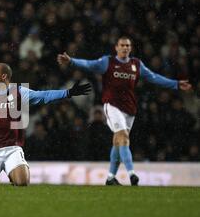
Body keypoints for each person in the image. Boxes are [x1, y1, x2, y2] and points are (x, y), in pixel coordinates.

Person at [57, 36, 192, 186]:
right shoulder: (108, 62)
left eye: (128, 45)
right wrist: (72, 61)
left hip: (130, 108)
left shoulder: (136, 64)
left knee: (118, 141)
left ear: (130, 48)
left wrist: (176, 84)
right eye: (122, 45)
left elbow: (154, 78)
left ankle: (110, 177)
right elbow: (89, 64)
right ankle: (132, 174)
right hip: (112, 106)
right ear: (116, 47)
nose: (125, 48)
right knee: (124, 137)